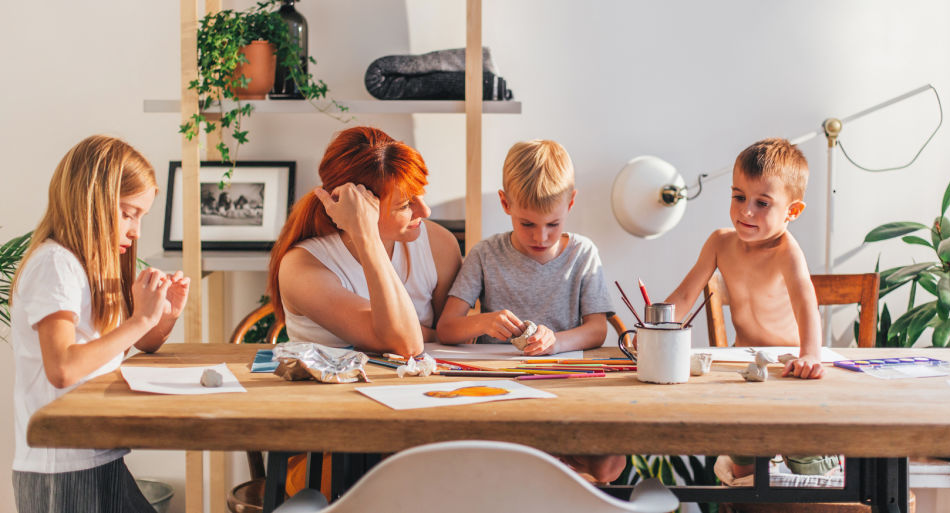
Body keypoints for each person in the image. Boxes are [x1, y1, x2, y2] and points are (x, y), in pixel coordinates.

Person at [11, 135, 191, 513]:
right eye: (128, 213)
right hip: (63, 468)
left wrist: (162, 316)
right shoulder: (54, 264)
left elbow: (124, 348)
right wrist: (140, 318)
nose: (136, 231)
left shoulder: (85, 266)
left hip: (96, 457)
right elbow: (63, 368)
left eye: (141, 216)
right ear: (89, 201)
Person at [436, 139, 623, 483]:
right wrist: (483, 322)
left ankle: (547, 466)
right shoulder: (485, 254)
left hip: (565, 386)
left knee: (609, 466)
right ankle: (542, 468)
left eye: (553, 224)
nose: (541, 236)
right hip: (501, 390)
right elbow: (447, 327)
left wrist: (556, 342)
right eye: (527, 224)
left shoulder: (583, 253)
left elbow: (598, 329)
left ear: (571, 202)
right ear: (505, 203)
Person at [664, 137, 835, 482]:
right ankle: (747, 496)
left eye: (762, 203)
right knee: (743, 460)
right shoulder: (720, 243)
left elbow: (806, 305)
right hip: (745, 365)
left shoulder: (787, 251)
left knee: (807, 459)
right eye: (739, 196)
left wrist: (811, 357)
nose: (746, 211)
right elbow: (684, 295)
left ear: (792, 211)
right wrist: (654, 332)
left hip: (790, 365)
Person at [268, 126, 462, 359]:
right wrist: (365, 233)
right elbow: (405, 345)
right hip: (327, 394)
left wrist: (435, 335)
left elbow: (456, 336)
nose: (425, 211)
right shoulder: (301, 266)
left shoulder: (439, 244)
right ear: (356, 204)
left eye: (421, 194)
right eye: (404, 205)